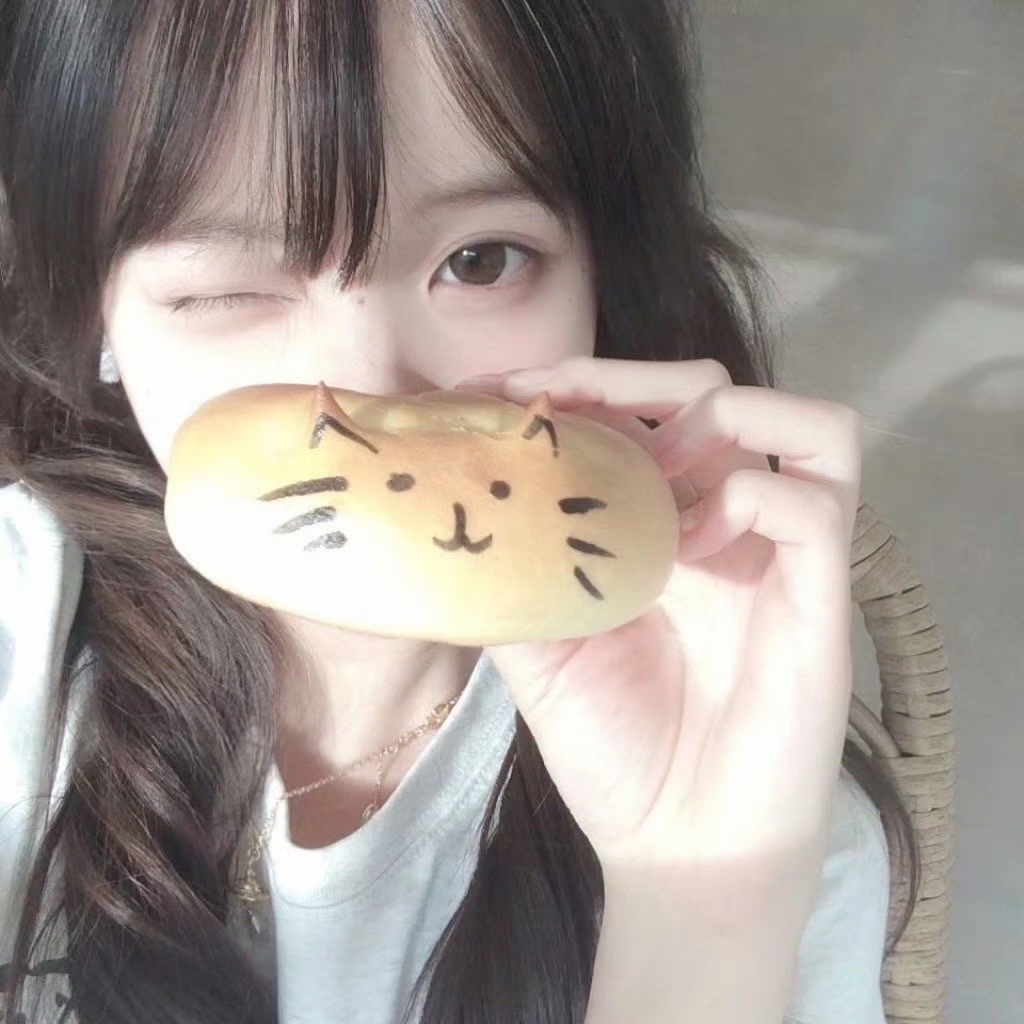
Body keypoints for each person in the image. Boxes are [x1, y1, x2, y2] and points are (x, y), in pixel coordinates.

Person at [0, 1, 920, 1022]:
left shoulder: (763, 800)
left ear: (602, 278)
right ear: (96, 316)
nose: (372, 381)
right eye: (224, 288)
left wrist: (697, 898)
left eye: (481, 260)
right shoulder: (21, 628)